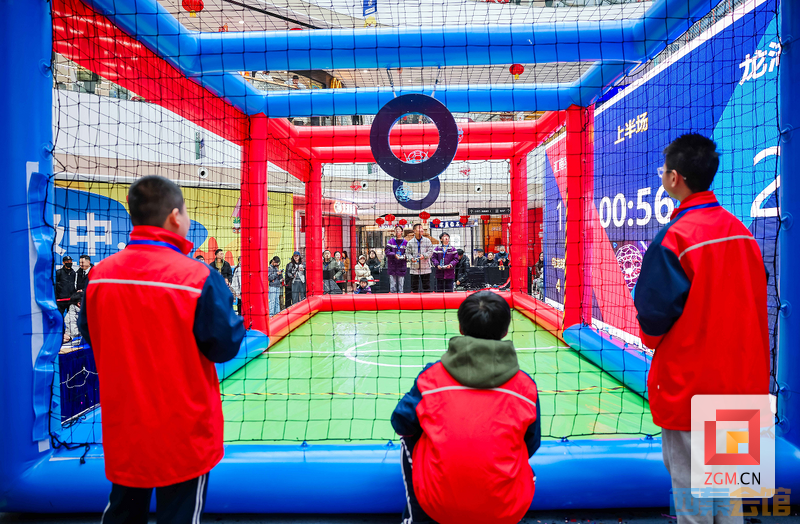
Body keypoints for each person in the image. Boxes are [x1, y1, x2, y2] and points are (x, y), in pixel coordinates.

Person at [77, 175, 244, 524]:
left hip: (125, 426)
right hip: (184, 431)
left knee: (122, 511)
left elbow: (91, 334)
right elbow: (225, 346)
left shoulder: (101, 276)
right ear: (174, 216)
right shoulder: (196, 277)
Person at [634, 134, 769, 524]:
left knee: (693, 499)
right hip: (741, 383)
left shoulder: (676, 237)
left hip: (692, 386)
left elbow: (653, 319)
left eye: (663, 171)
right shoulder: (742, 233)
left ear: (675, 178)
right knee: (729, 496)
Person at [391, 291, 541, 524]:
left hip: (437, 507)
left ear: (461, 328)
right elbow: (532, 443)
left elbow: (401, 422)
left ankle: (417, 518)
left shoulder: (432, 378)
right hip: (506, 509)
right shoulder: (525, 386)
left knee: (409, 436)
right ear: (505, 331)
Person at [405, 223, 433, 293]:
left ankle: (427, 299)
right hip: (414, 268)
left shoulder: (427, 241)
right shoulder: (410, 242)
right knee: (414, 288)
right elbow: (407, 253)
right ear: (414, 231)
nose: (421, 230)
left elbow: (431, 251)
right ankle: (414, 300)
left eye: (422, 228)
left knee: (426, 287)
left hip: (425, 267)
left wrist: (424, 255)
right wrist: (411, 259)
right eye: (419, 228)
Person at [385, 225, 408, 293]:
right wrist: (394, 255)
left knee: (401, 285)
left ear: (402, 231)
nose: (397, 231)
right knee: (392, 285)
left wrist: (405, 256)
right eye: (396, 230)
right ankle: (393, 297)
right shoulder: (390, 241)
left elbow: (409, 252)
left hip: (401, 265)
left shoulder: (405, 242)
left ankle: (401, 297)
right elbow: (387, 252)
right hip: (392, 265)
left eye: (399, 229)